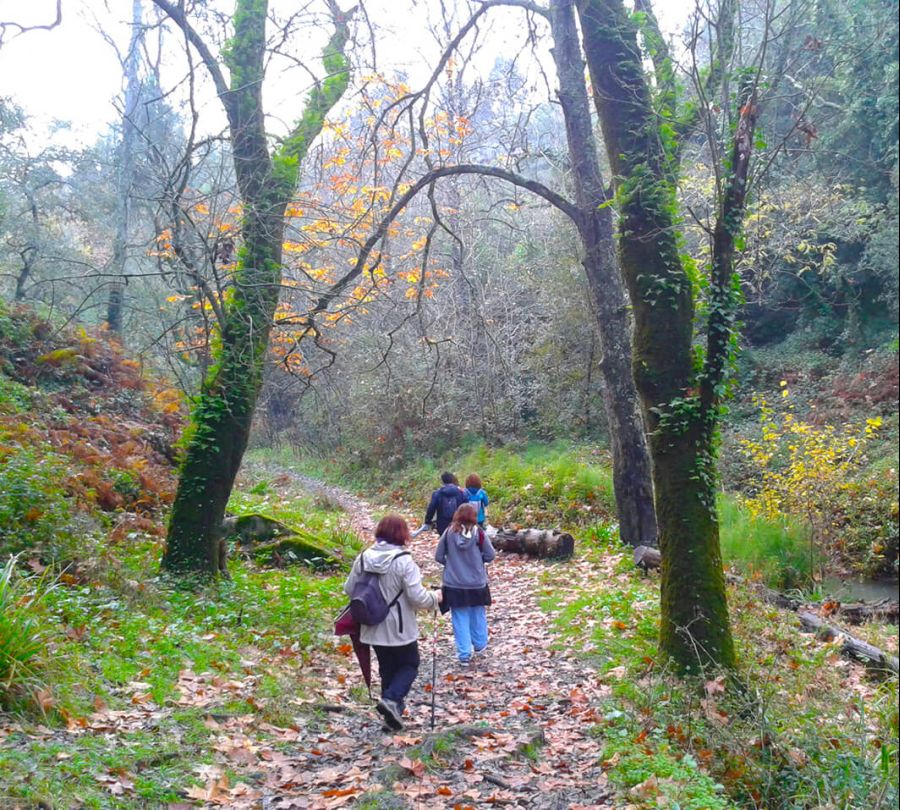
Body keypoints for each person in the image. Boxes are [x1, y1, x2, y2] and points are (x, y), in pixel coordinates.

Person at [343, 514, 441, 731]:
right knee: (409, 664)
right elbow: (417, 597)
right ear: (402, 534)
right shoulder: (404, 561)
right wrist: (436, 598)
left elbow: (349, 589)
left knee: (387, 669)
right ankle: (391, 700)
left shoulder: (363, 557)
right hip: (399, 626)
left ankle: (391, 718)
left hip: (371, 623)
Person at [435, 503, 496, 666]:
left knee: (459, 618)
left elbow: (438, 556)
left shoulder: (448, 533)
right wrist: (478, 560)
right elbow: (491, 555)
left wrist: (451, 563)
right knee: (478, 613)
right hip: (477, 583)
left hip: (454, 584)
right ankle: (480, 644)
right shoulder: (479, 533)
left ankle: (464, 654)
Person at [424, 471, 469, 536]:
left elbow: (431, 508)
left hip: (442, 524)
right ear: (452, 480)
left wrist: (427, 521)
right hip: (458, 523)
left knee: (444, 541)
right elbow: (467, 508)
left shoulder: (437, 493)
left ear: (442, 481)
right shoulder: (461, 493)